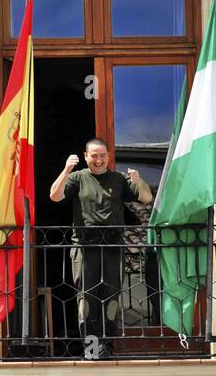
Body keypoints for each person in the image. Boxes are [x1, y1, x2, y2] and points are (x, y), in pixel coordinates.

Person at [50, 138, 153, 356]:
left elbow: (146, 197)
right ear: (86, 156)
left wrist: (138, 180)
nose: (99, 160)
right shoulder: (77, 178)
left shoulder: (118, 179)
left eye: (102, 155)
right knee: (87, 298)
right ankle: (91, 349)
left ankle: (106, 347)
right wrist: (67, 168)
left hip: (113, 247)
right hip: (84, 248)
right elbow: (55, 196)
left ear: (108, 156)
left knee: (111, 297)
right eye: (94, 156)